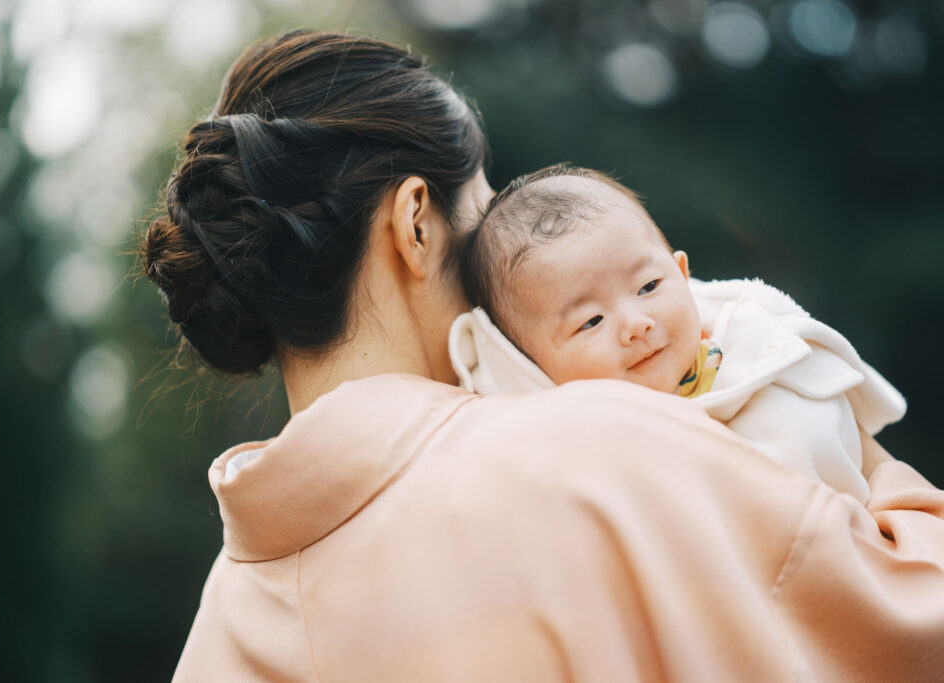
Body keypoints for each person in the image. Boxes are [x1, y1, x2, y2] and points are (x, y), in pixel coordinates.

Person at [141, 29, 944, 682]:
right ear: (416, 223)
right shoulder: (603, 448)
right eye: (484, 219)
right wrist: (862, 455)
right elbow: (914, 626)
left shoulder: (220, 629)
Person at [450, 164, 906, 503]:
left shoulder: (759, 345)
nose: (635, 324)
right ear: (528, 360)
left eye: (648, 287)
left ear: (683, 274)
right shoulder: (580, 450)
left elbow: (872, 465)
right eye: (590, 321)